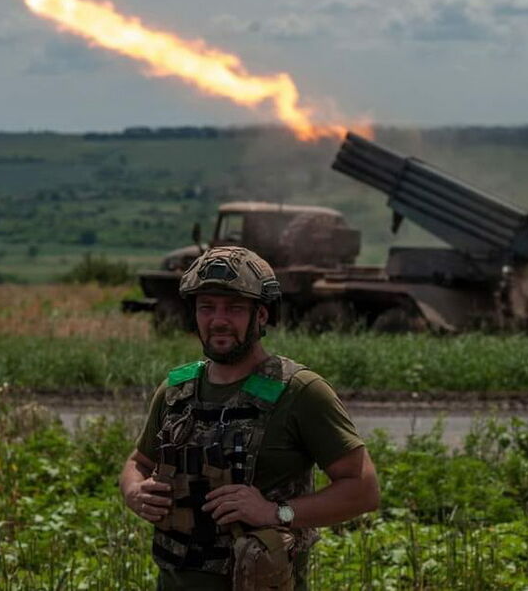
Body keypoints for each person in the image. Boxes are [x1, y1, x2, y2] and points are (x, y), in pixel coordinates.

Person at [119, 246, 380, 590]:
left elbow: (363, 489)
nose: (219, 320)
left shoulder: (300, 391)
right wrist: (134, 490)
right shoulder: (177, 389)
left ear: (261, 316)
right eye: (207, 307)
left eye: (235, 308)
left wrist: (276, 512)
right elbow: (138, 461)